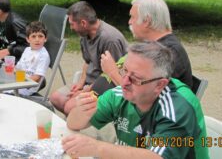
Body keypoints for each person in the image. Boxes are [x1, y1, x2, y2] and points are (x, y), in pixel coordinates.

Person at [62, 42, 209, 159]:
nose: (124, 82)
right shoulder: (119, 95)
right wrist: (81, 110)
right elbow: (73, 123)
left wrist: (97, 148)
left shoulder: (177, 107)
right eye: (124, 71)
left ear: (160, 85)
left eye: (135, 78)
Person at [50, 1, 128, 115]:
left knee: (69, 107)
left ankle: (78, 125)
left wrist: (87, 90)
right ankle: (77, 123)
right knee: (55, 98)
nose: (71, 28)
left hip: (106, 87)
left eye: (72, 24)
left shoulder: (110, 39)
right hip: (89, 83)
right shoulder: (84, 35)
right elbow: (87, 62)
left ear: (83, 23)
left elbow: (112, 76)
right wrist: (80, 84)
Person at [101, 0, 193, 90]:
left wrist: (112, 71)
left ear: (146, 21)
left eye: (132, 17)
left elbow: (142, 95)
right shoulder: (154, 47)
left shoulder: (169, 52)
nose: (129, 22)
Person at [5, 21, 50, 96]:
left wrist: (21, 83)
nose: (37, 39)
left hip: (28, 86)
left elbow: (37, 78)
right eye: (33, 36)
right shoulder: (27, 50)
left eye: (40, 36)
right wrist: (12, 71)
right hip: (20, 80)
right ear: (28, 39)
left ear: (45, 39)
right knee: (0, 84)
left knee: (4, 93)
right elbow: (19, 67)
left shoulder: (43, 56)